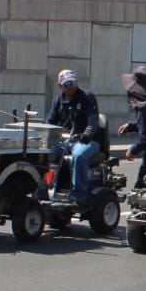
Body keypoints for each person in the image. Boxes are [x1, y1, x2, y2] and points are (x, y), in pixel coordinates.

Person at [46, 69, 100, 203]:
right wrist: (46, 137)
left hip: (86, 141)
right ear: (60, 85)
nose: (70, 86)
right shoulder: (57, 101)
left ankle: (79, 194)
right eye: (67, 83)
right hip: (65, 140)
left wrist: (87, 134)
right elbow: (50, 123)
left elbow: (93, 119)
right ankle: (44, 192)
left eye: (73, 82)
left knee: (79, 155)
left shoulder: (87, 97)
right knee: (43, 154)